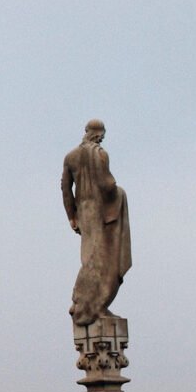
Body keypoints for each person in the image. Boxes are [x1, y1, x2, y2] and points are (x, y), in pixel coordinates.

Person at [61, 120, 132, 326]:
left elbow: (65, 189)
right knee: (100, 260)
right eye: (101, 135)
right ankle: (86, 303)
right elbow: (107, 186)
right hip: (100, 211)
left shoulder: (70, 157)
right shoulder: (100, 154)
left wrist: (72, 216)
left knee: (90, 257)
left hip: (83, 211)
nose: (101, 139)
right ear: (98, 134)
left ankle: (86, 303)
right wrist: (120, 193)